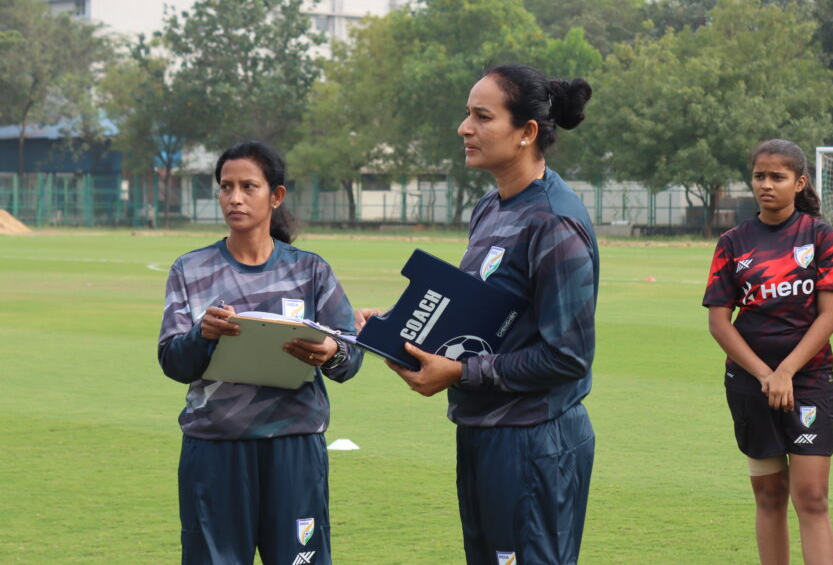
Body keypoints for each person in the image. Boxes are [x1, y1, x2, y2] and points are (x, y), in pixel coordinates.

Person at [356, 64, 598, 565]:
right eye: (468, 114)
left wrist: (462, 371)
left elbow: (568, 357)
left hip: (535, 439)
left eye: (482, 116)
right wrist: (402, 333)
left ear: (527, 133)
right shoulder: (490, 207)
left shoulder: (553, 221)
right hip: (483, 429)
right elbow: (484, 320)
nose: (465, 128)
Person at [158, 140, 363, 565]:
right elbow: (173, 362)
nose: (234, 197)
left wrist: (329, 352)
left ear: (276, 196)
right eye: (225, 186)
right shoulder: (189, 270)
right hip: (215, 448)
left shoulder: (311, 270)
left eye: (248, 186)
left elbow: (351, 356)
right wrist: (203, 335)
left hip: (294, 449)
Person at [703, 139, 833, 565]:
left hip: (808, 381)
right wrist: (767, 375)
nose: (766, 185)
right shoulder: (733, 241)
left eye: (778, 177)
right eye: (759, 176)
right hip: (751, 384)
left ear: (799, 182)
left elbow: (829, 317)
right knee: (768, 496)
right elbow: (718, 322)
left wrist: (786, 371)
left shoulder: (820, 236)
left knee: (813, 497)